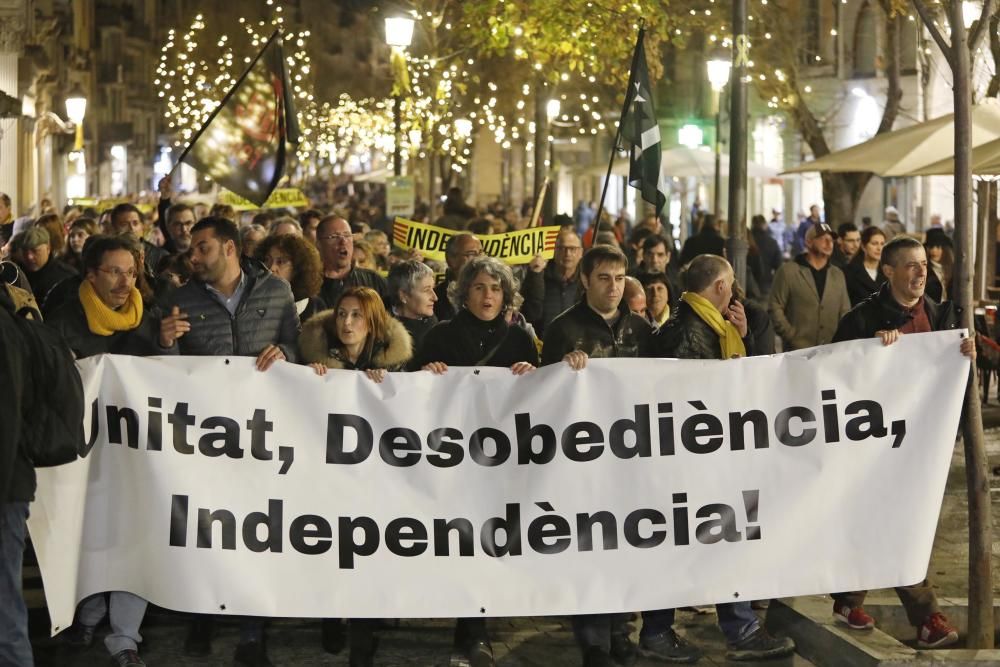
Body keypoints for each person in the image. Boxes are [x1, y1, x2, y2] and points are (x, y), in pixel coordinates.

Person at [160, 217, 298, 665]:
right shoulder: (180, 299)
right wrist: (164, 343)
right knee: (207, 528)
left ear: (230, 248)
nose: (194, 257)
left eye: (202, 248)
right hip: (206, 437)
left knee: (256, 531)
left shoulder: (276, 292)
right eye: (192, 249)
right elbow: (165, 372)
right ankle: (202, 614)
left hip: (261, 435)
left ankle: (251, 633)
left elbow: (296, 350)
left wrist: (287, 355)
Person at [646, 254, 794, 662]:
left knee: (722, 538)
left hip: (709, 458)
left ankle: (735, 626)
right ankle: (668, 629)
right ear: (721, 287)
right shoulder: (691, 333)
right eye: (731, 283)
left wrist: (744, 339)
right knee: (693, 541)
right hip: (699, 462)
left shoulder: (706, 326)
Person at [831, 235, 970, 649]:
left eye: (924, 263)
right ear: (888, 271)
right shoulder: (862, 319)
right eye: (911, 265)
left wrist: (969, 352)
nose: (921, 271)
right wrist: (867, 353)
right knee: (901, 521)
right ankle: (926, 617)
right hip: (875, 444)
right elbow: (832, 373)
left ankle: (848, 598)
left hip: (926, 442)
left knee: (897, 520)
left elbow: (962, 373)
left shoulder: (944, 316)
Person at [46, 236, 179, 667]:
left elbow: (170, 383)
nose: (126, 281)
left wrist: (164, 345)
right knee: (91, 536)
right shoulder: (63, 322)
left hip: (138, 451)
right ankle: (87, 613)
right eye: (115, 272)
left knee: (134, 537)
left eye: (131, 271)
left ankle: (124, 638)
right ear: (91, 275)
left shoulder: (151, 318)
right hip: (85, 453)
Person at [409, 255, 538, 667]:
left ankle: (476, 628)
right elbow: (413, 394)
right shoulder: (439, 336)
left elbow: (539, 398)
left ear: (506, 295)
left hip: (500, 462)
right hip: (453, 457)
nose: (488, 295)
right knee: (463, 541)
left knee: (490, 539)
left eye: (496, 288)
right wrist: (425, 373)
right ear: (464, 293)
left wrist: (531, 375)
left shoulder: (519, 341)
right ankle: (471, 629)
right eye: (480, 287)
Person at [540, 244, 652, 666]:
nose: (613, 287)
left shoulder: (640, 331)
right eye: (604, 278)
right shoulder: (563, 330)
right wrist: (563, 371)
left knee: (625, 541)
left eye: (620, 278)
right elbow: (543, 394)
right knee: (589, 543)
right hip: (582, 458)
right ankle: (592, 639)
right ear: (586, 280)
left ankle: (621, 629)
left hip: (629, 455)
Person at [769, 222, 850, 351]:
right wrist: (792, 336)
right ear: (809, 242)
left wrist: (840, 339)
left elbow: (845, 310)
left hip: (830, 350)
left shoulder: (837, 274)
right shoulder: (789, 271)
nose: (829, 243)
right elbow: (775, 306)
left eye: (831, 240)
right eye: (823, 239)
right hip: (797, 351)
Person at [315, 216, 387, 307]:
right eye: (335, 236)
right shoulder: (308, 284)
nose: (343, 241)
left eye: (347, 235)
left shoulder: (374, 280)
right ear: (319, 244)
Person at [255, 233, 327, 323]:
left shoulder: (315, 306)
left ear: (298, 268)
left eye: (280, 262)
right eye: (267, 260)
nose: (271, 268)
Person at [9, 226, 77, 310]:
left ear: (48, 248)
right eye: (25, 252)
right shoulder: (15, 275)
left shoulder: (66, 276)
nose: (29, 257)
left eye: (35, 251)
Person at [535, 230, 582, 337]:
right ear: (554, 251)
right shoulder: (540, 277)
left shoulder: (587, 282)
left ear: (580, 253)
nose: (567, 254)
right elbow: (531, 314)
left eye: (572, 249)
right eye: (562, 248)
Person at [387, 259, 438, 350]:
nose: (435, 297)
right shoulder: (379, 329)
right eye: (426, 290)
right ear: (404, 295)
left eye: (433, 289)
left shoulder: (433, 324)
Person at [434, 232, 483, 322]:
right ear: (451, 259)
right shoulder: (436, 298)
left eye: (480, 253)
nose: (479, 259)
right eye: (471, 254)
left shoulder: (490, 292)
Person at [109, 204, 166, 276]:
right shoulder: (105, 256)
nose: (131, 228)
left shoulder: (160, 256)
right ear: (113, 228)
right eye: (124, 224)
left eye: (135, 223)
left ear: (142, 226)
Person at [843, 226, 887, 306]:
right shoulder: (849, 272)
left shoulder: (888, 272)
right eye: (874, 244)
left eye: (882, 244)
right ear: (863, 246)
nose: (879, 248)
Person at [750, 214, 782, 295]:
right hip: (766, 282)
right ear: (764, 224)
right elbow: (778, 264)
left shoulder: (747, 240)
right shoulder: (772, 242)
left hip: (747, 282)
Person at [924, 228, 953, 303]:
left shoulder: (953, 270)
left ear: (944, 249)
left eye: (937, 247)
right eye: (931, 247)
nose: (934, 250)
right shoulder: (924, 270)